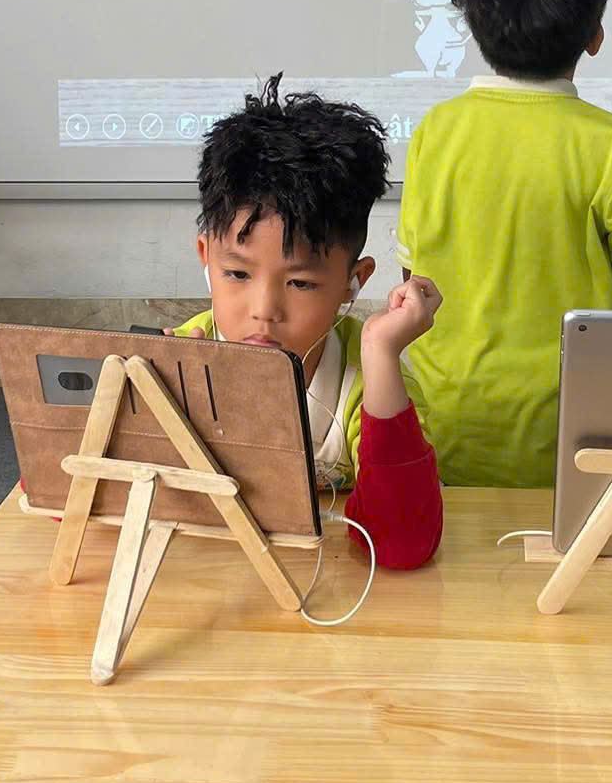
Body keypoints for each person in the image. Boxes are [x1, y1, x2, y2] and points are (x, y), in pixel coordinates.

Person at [398, 0, 612, 488]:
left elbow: (415, 278)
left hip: (442, 420)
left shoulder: (434, 132)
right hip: (573, 432)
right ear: (595, 35)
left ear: (474, 24)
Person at [171, 76, 444, 569]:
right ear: (206, 258)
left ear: (352, 283)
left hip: (327, 584)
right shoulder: (178, 358)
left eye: (300, 282)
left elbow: (402, 546)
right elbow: (64, 503)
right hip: (206, 580)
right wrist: (139, 415)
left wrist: (381, 355)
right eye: (237, 274)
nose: (264, 309)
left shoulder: (371, 385)